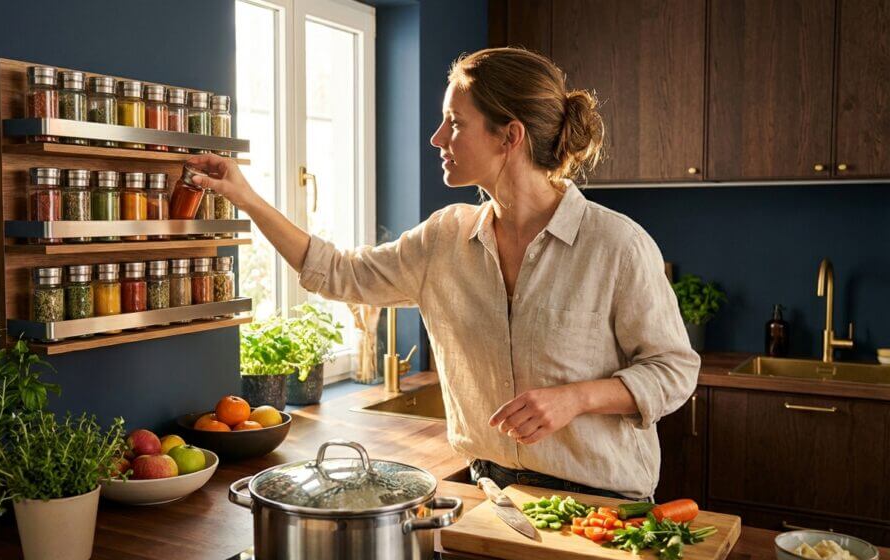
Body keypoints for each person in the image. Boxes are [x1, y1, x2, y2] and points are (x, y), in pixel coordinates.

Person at [185, 47, 700, 501]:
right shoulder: (443, 239)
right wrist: (246, 197)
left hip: (604, 504)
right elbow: (338, 272)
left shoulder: (616, 244)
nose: (436, 138)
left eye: (454, 123)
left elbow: (674, 370)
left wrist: (577, 398)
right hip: (491, 496)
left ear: (509, 137)